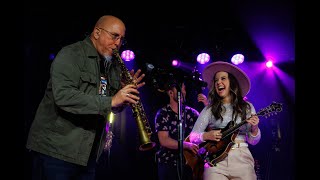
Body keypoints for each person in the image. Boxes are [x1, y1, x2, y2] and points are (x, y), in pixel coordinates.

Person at [26, 15, 146, 180]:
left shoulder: (111, 66)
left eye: (121, 39)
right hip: (56, 151)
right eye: (114, 36)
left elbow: (108, 106)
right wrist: (112, 100)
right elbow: (63, 96)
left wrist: (122, 97)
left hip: (87, 155)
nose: (118, 43)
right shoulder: (71, 54)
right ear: (97, 32)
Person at [189, 61, 261, 180]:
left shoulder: (247, 107)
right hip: (215, 161)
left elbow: (253, 141)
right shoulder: (209, 109)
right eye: (216, 80)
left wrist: (255, 128)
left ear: (232, 83)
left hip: (242, 158)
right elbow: (193, 137)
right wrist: (207, 135)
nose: (218, 82)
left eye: (223, 78)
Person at [154, 78, 208, 180]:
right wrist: (186, 145)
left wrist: (207, 106)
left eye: (184, 89)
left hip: (190, 164)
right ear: (170, 93)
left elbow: (208, 127)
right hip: (169, 163)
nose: (184, 92)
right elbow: (164, 140)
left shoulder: (192, 113)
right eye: (180, 89)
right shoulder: (162, 113)